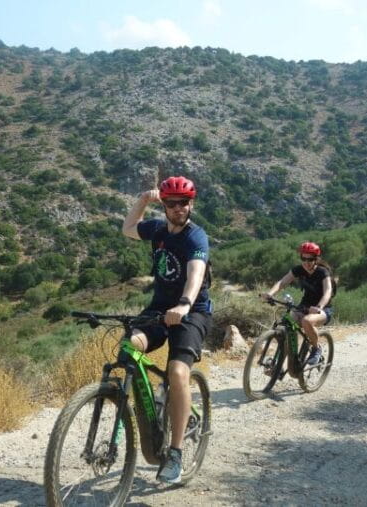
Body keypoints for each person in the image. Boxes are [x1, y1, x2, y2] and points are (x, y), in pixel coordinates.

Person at [122, 175, 212, 484]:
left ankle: (174, 452)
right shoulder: (158, 230)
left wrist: (185, 303)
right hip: (159, 310)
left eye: (183, 203)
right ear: (165, 205)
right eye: (171, 203)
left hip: (192, 313)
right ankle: (154, 403)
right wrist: (143, 201)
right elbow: (128, 229)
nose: (177, 209)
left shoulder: (195, 237)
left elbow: (196, 273)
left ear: (191, 204)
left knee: (177, 372)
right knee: (129, 345)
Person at [260, 241, 334, 366]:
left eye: (309, 259)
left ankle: (316, 349)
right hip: (304, 306)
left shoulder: (322, 272)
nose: (306, 262)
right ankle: (278, 365)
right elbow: (282, 282)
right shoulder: (299, 270)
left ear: (316, 259)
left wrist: (319, 307)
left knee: (307, 321)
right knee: (287, 323)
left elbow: (328, 292)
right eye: (303, 258)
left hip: (322, 309)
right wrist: (270, 294)